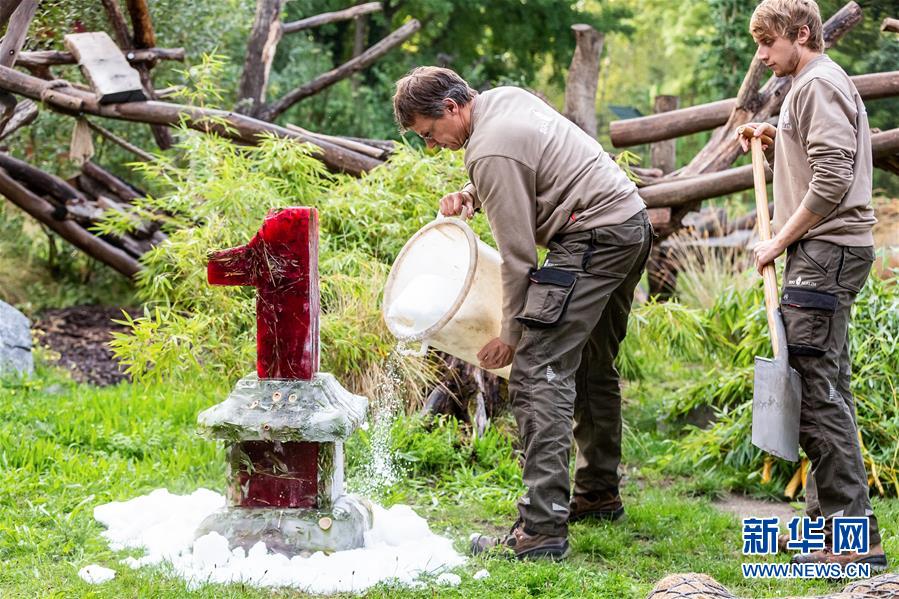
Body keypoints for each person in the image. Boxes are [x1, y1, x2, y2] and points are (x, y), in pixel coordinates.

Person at [393, 66, 652, 560]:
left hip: (591, 237)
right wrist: (472, 194)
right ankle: (597, 494)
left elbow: (518, 260)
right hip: (629, 223)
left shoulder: (488, 150)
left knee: (538, 373)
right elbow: (529, 165)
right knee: (594, 365)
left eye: (430, 134)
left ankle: (540, 530)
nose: (433, 145)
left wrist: (512, 336)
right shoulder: (504, 99)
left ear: (451, 108)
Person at [737, 0, 886, 570]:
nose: (762, 55)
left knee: (816, 399)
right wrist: (778, 141)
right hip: (828, 251)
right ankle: (834, 533)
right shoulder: (811, 85)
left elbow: (833, 177)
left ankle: (855, 540)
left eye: (769, 44)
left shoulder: (817, 84)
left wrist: (778, 240)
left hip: (824, 253)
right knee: (826, 392)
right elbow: (815, 159)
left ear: (801, 34)